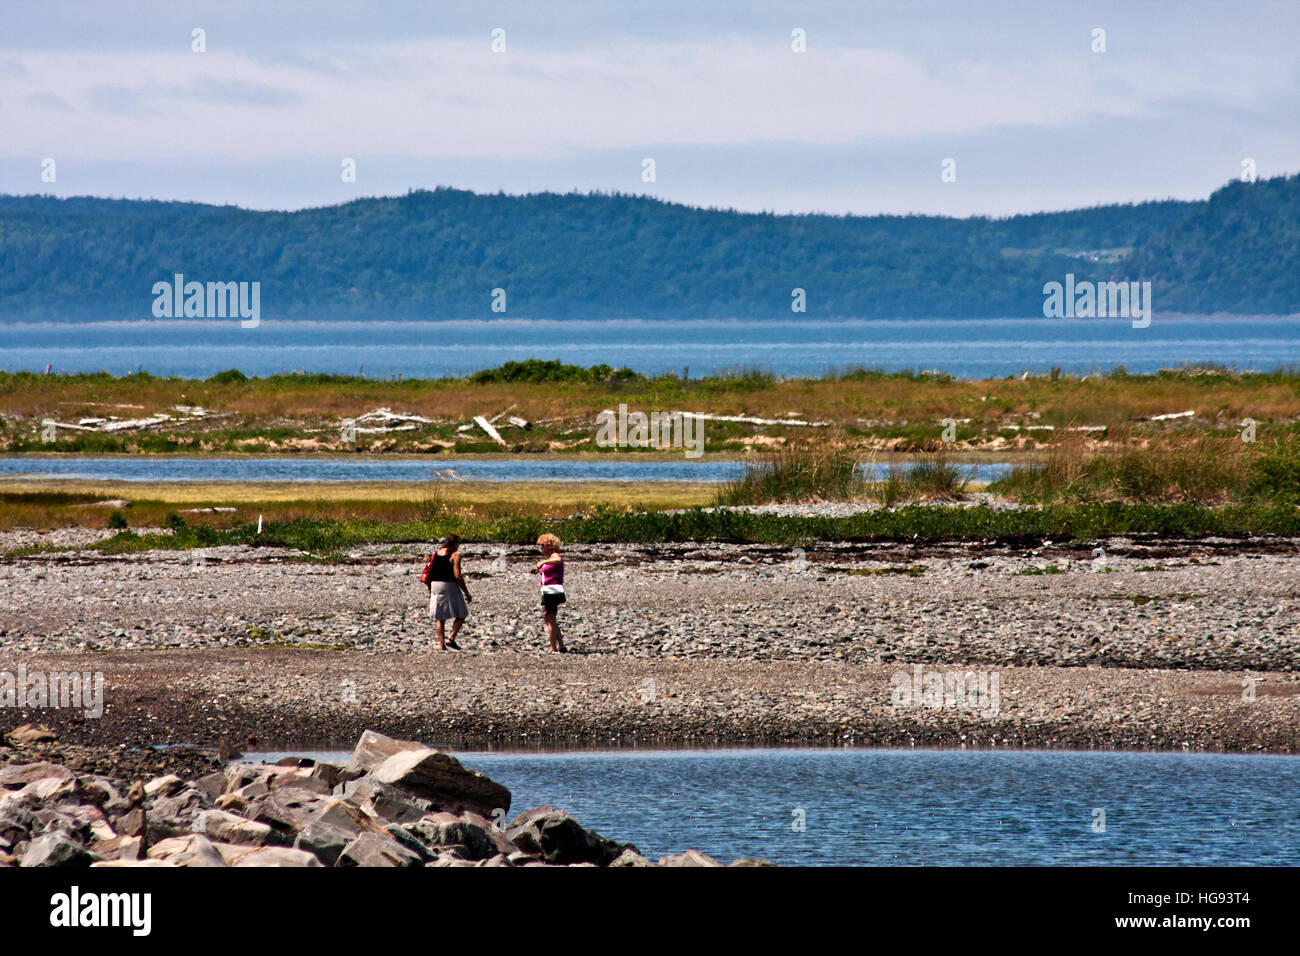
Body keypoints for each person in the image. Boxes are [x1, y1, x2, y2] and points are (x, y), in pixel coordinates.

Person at [425, 534, 471, 650]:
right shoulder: (454, 555)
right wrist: (466, 592)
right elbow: (457, 575)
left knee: (440, 618)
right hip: (448, 585)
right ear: (454, 544)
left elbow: (430, 571)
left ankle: (441, 645)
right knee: (461, 613)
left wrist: (429, 588)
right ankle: (451, 639)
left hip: (435, 585)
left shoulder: (436, 553)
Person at [536, 533, 566, 653]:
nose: (540, 548)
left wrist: (543, 563)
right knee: (550, 619)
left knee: (550, 619)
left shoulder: (554, 556)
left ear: (550, 545)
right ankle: (561, 645)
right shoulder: (550, 558)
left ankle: (552, 647)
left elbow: (558, 559)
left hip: (552, 592)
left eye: (542, 545)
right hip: (548, 590)